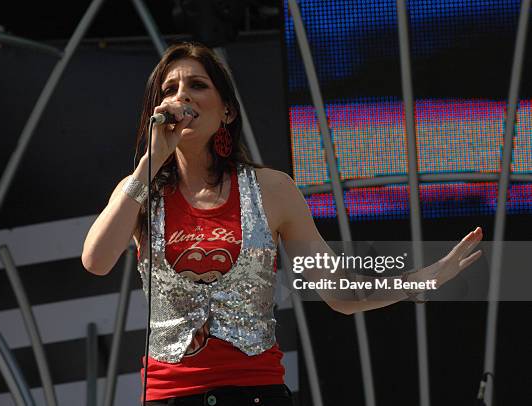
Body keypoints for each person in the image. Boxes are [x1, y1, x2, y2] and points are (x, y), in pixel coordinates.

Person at [81, 42, 483, 405]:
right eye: (169, 90)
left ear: (227, 110)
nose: (181, 96)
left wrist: (420, 280)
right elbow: (96, 261)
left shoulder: (271, 189)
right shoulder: (140, 191)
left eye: (197, 85)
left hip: (255, 393)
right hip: (170, 396)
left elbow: (337, 292)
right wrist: (148, 166)